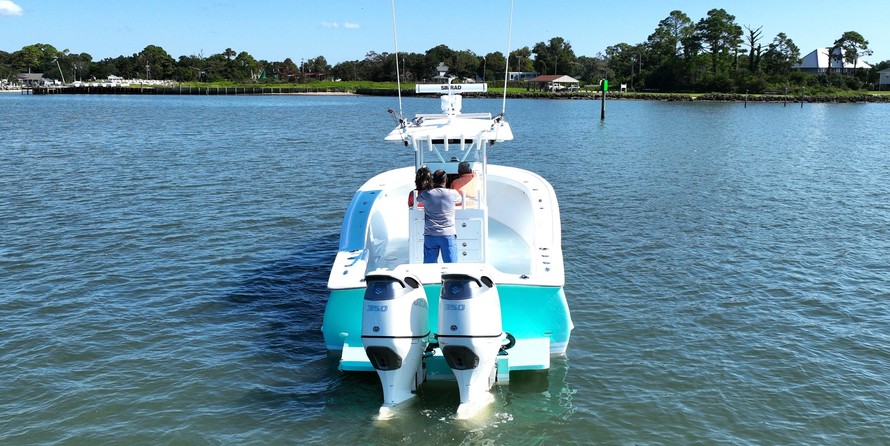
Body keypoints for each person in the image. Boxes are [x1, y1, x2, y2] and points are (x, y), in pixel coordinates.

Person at [416, 169, 461, 263]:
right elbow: (459, 200)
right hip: (448, 234)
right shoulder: (453, 193)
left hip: (430, 234)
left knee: (429, 266)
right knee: (451, 267)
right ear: (446, 180)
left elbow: (418, 200)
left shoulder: (427, 194)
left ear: (433, 180)